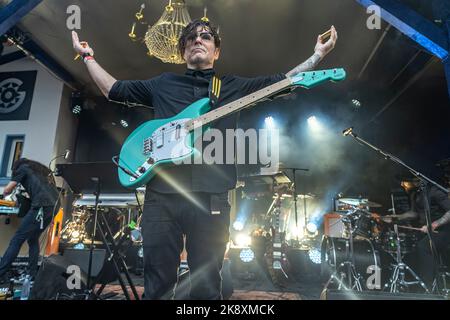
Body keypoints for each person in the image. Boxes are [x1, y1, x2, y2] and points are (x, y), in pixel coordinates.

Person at [72, 19, 337, 299]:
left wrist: (317, 56)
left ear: (216, 51)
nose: (198, 40)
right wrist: (87, 56)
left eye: (206, 37)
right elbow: (113, 89)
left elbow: (282, 83)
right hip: (162, 195)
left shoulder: (231, 86)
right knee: (157, 285)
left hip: (212, 195)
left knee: (207, 285)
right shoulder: (163, 83)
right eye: (191, 38)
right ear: (183, 51)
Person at [384, 177, 450, 288]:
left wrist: (433, 225)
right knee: (412, 246)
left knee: (423, 247)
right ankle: (417, 283)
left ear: (417, 180)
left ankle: (428, 287)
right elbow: (413, 213)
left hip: (443, 231)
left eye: (405, 182)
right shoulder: (414, 194)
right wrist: (395, 218)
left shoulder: (435, 191)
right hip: (427, 231)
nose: (403, 185)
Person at [0, 158, 60, 281]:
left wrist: (4, 194)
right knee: (33, 238)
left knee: (17, 239)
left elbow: (7, 189)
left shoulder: (21, 169)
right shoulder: (41, 171)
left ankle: (1, 272)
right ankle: (32, 274)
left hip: (42, 206)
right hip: (55, 206)